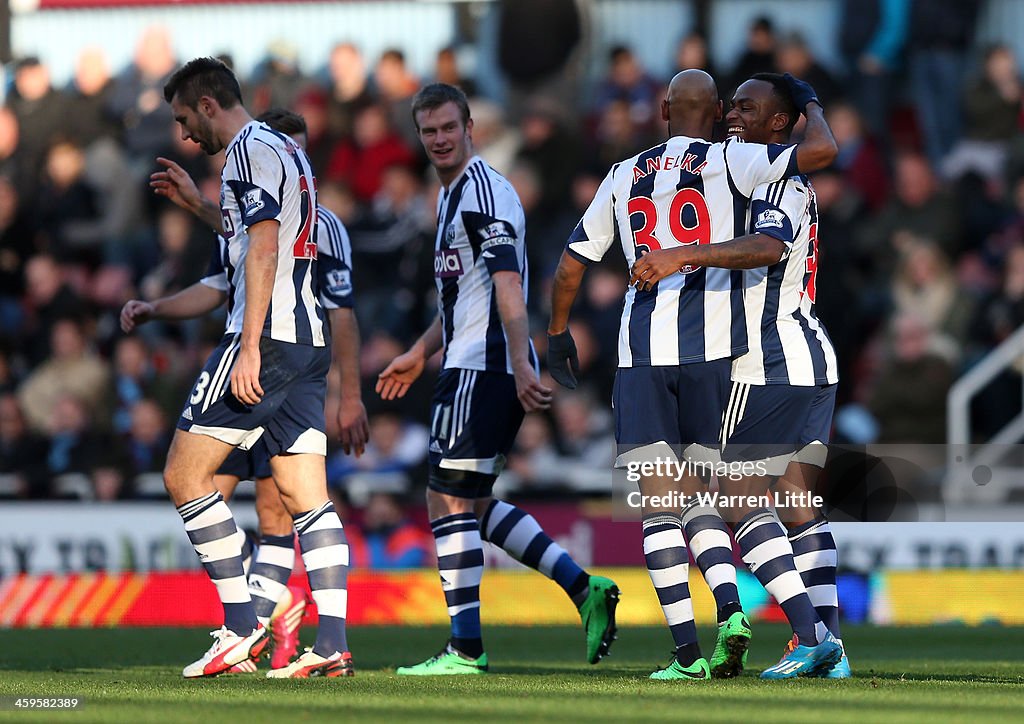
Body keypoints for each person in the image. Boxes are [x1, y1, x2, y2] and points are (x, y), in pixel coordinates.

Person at [548, 69, 840, 681]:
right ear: (715, 114)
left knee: (667, 506)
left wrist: (557, 332)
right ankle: (756, 618)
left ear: (661, 109)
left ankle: (690, 652)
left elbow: (572, 264)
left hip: (646, 354)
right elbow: (819, 153)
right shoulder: (737, 161)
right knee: (741, 497)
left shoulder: (624, 173)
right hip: (719, 353)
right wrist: (808, 102)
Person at [376, 83, 618, 675]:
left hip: (482, 367)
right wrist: (418, 351)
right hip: (469, 358)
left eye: (448, 129)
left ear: (469, 128)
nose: (438, 140)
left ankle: (466, 648)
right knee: (474, 501)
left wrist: (518, 363)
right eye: (428, 131)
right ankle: (583, 588)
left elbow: (509, 288)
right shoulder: (452, 196)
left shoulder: (482, 191)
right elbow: (463, 296)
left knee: (446, 498)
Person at [126, 106, 368, 674]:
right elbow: (222, 277)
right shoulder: (247, 206)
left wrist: (349, 393)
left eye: (299, 150)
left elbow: (344, 310)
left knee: (197, 479)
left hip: (266, 352)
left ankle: (243, 626)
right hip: (296, 354)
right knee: (299, 496)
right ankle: (326, 640)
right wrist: (159, 306)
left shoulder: (318, 219)